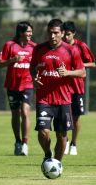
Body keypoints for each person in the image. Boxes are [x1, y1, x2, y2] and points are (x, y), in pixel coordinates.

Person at [30, 19, 85, 162]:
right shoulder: (38, 49)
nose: (52, 36)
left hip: (63, 99)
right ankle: (48, 154)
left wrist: (67, 73)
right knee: (43, 132)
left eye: (55, 33)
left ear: (62, 33)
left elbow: (82, 72)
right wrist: (34, 79)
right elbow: (32, 67)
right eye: (50, 33)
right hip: (44, 98)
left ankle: (58, 163)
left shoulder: (71, 50)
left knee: (61, 136)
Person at [0, 21, 36, 156]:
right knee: (15, 113)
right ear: (21, 33)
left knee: (25, 112)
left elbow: (38, 65)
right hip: (13, 85)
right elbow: (0, 64)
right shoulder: (10, 45)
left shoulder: (34, 47)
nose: (30, 34)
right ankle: (18, 141)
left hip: (28, 84)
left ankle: (25, 143)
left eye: (31, 31)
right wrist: (12, 60)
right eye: (28, 32)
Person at [62, 21, 95, 155]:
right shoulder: (59, 47)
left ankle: (74, 144)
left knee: (75, 118)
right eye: (64, 34)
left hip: (77, 87)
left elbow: (93, 63)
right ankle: (65, 141)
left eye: (68, 34)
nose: (65, 37)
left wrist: (80, 65)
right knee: (64, 116)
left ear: (74, 34)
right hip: (63, 87)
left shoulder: (81, 46)